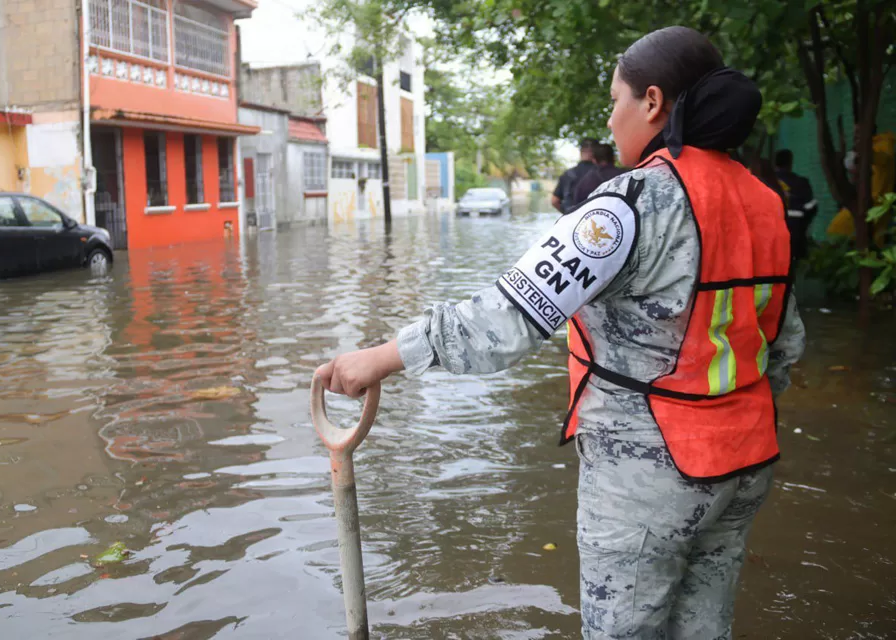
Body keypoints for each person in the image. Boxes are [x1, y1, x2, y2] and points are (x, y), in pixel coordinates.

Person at [317, 26, 805, 639]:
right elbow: (782, 345)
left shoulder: (626, 206)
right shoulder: (764, 203)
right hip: (746, 463)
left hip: (647, 478)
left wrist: (384, 357)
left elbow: (506, 319)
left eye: (615, 100)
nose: (612, 115)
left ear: (651, 102)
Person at [828, 124, 895, 246]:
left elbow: (882, 158)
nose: (856, 137)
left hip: (876, 202)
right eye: (855, 134)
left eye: (859, 133)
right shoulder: (867, 149)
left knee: (839, 228)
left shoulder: (883, 145)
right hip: (864, 201)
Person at [773, 149, 818, 260]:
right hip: (795, 233)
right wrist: (802, 226)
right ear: (790, 162)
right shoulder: (801, 182)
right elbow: (811, 207)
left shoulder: (765, 181)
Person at [569, 142, 626, 206]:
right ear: (614, 157)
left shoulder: (585, 181)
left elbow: (578, 205)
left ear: (594, 160)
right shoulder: (627, 176)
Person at [551, 139, 597, 213]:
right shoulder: (602, 173)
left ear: (581, 152)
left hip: (572, 218)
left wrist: (567, 215)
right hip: (595, 219)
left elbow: (554, 201)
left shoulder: (568, 174)